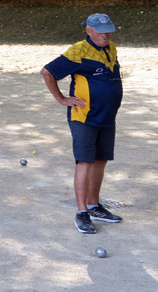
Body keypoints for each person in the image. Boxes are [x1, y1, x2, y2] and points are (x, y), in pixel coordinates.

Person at [40, 13, 124, 234]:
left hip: (107, 116)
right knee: (84, 162)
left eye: (108, 29)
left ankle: (94, 205)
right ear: (88, 30)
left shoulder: (110, 47)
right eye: (100, 30)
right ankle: (81, 212)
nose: (105, 34)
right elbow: (47, 72)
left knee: (100, 160)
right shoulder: (78, 51)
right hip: (84, 117)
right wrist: (62, 99)